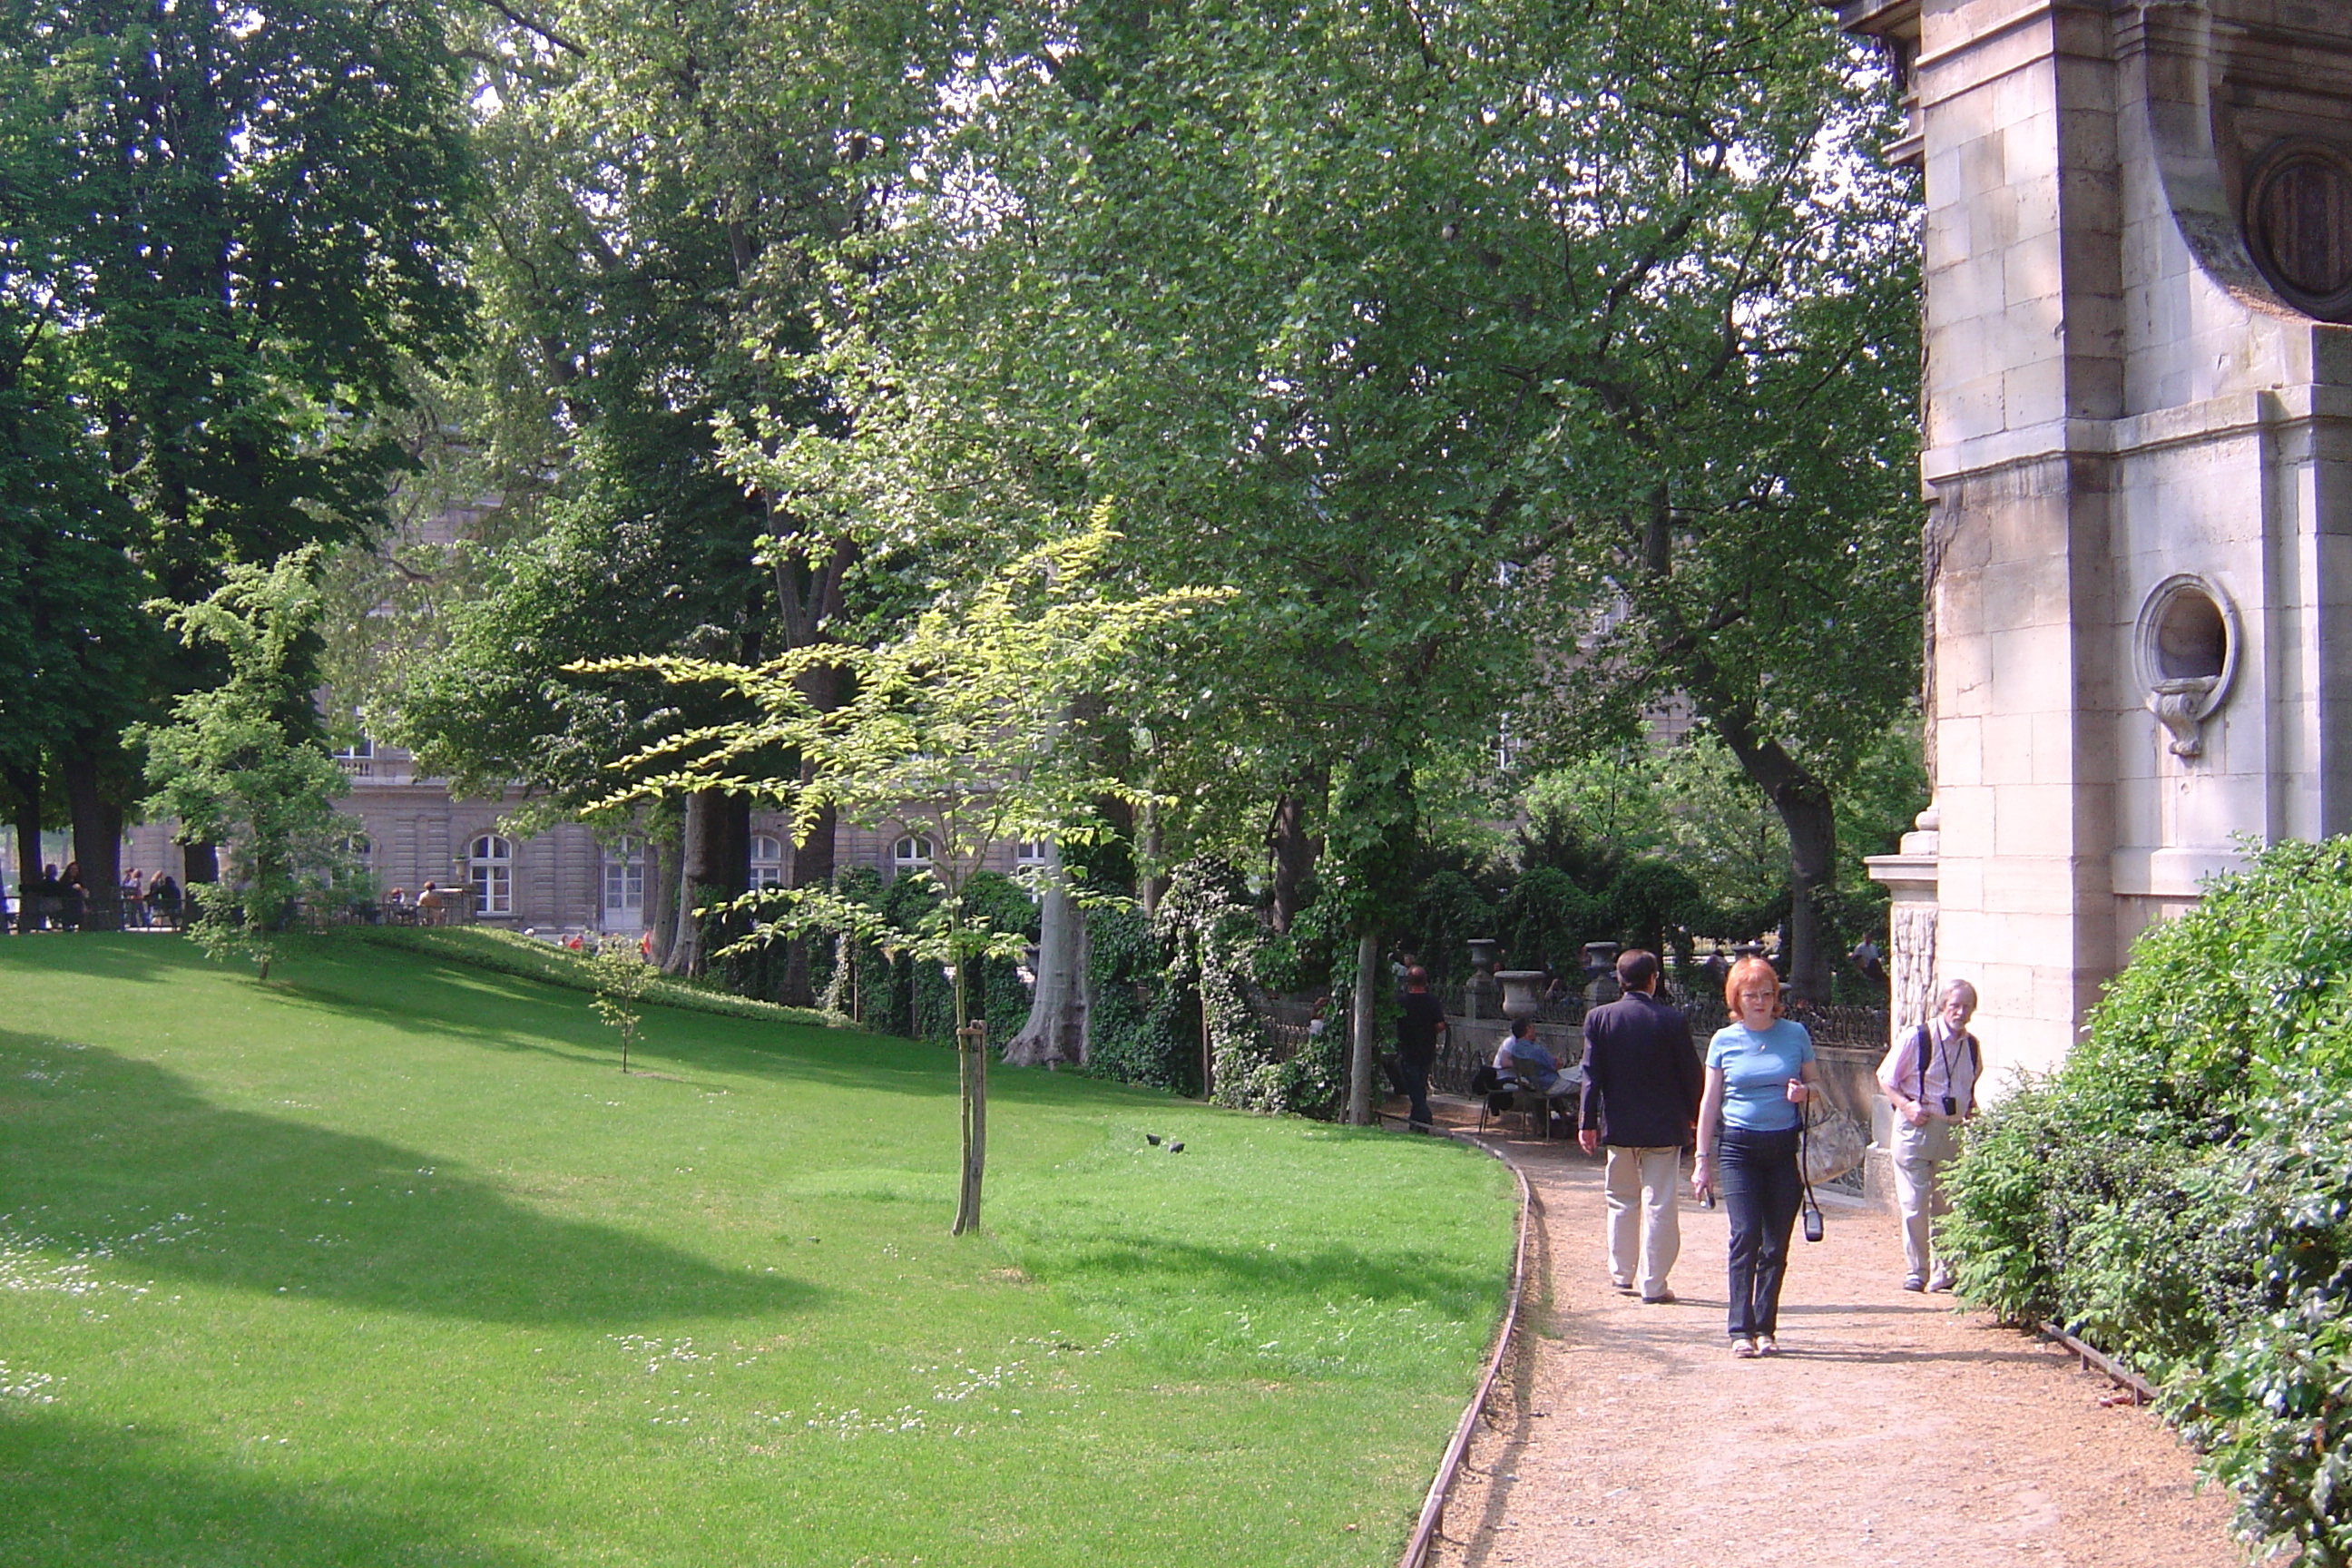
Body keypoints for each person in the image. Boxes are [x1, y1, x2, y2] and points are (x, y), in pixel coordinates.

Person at [1692, 955, 1822, 1357]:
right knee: (1744, 1234)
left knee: (1774, 1244)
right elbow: (1710, 1102)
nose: (1761, 1002)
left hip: (1783, 1148)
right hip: (1739, 1148)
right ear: (1737, 998)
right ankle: (1739, 1328)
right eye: (1752, 995)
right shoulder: (1724, 1041)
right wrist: (1701, 1159)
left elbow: (1818, 1086)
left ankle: (1766, 1327)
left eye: (1767, 994)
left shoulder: (1794, 1033)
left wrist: (1805, 1093)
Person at [1578, 949, 1704, 1305]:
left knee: (1620, 1199)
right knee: (1660, 1202)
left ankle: (1621, 1273)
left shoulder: (1599, 1018)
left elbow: (1591, 1076)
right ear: (1654, 979)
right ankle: (1654, 1282)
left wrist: (1587, 1122)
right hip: (1664, 1125)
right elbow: (1690, 1074)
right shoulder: (1671, 1020)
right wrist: (1695, 1116)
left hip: (1619, 1124)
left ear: (1620, 980)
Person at [1877, 979, 1982, 1292]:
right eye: (1955, 1006)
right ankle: (1917, 1271)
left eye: (1967, 1007)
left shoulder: (1971, 1045)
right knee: (1915, 1202)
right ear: (1942, 1006)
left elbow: (1968, 1088)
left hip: (1951, 1130)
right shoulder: (1919, 1038)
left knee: (1946, 1204)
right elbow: (1886, 1078)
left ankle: (1944, 1272)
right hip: (1917, 1129)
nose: (1960, 1013)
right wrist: (1906, 1106)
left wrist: (1972, 1114)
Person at [1395, 966, 1447, 1132]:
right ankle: (1419, 1122)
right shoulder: (1432, 1001)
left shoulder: (1402, 1002)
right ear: (1425, 982)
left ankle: (1422, 1120)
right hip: (1426, 1048)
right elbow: (1440, 1025)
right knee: (1420, 1086)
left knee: (1414, 1087)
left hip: (1407, 1048)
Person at [1492, 1016, 1570, 1094]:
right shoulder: (1535, 1049)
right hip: (1549, 1084)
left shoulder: (1515, 1049)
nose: (1535, 1031)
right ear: (1528, 1029)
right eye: (1533, 1028)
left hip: (1533, 1084)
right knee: (1579, 1082)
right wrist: (1557, 1061)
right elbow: (1555, 1066)